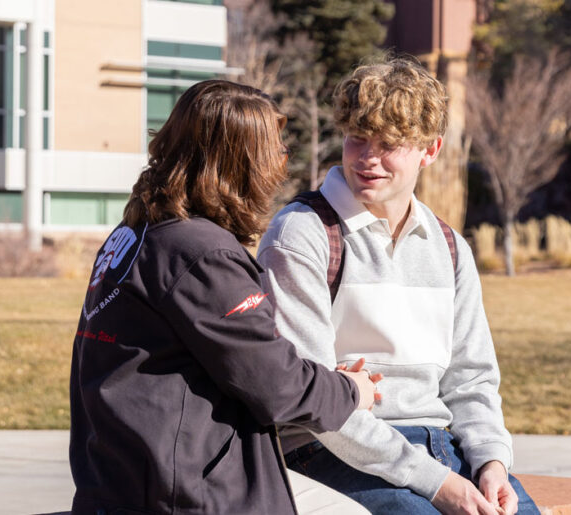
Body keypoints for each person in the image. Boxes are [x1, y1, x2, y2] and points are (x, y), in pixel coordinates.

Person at [68, 79, 380, 514]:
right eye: (275, 152)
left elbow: (246, 358)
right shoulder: (200, 255)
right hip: (186, 493)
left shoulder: (135, 236)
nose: (281, 166)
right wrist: (351, 390)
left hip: (127, 480)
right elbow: (275, 386)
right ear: (240, 162)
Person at [257, 57, 540, 514]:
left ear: (430, 150)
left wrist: (491, 462)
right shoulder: (302, 235)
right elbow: (312, 404)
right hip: (329, 453)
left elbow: (472, 378)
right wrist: (437, 484)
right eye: (357, 138)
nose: (368, 158)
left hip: (444, 450)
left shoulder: (449, 247)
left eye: (389, 144)